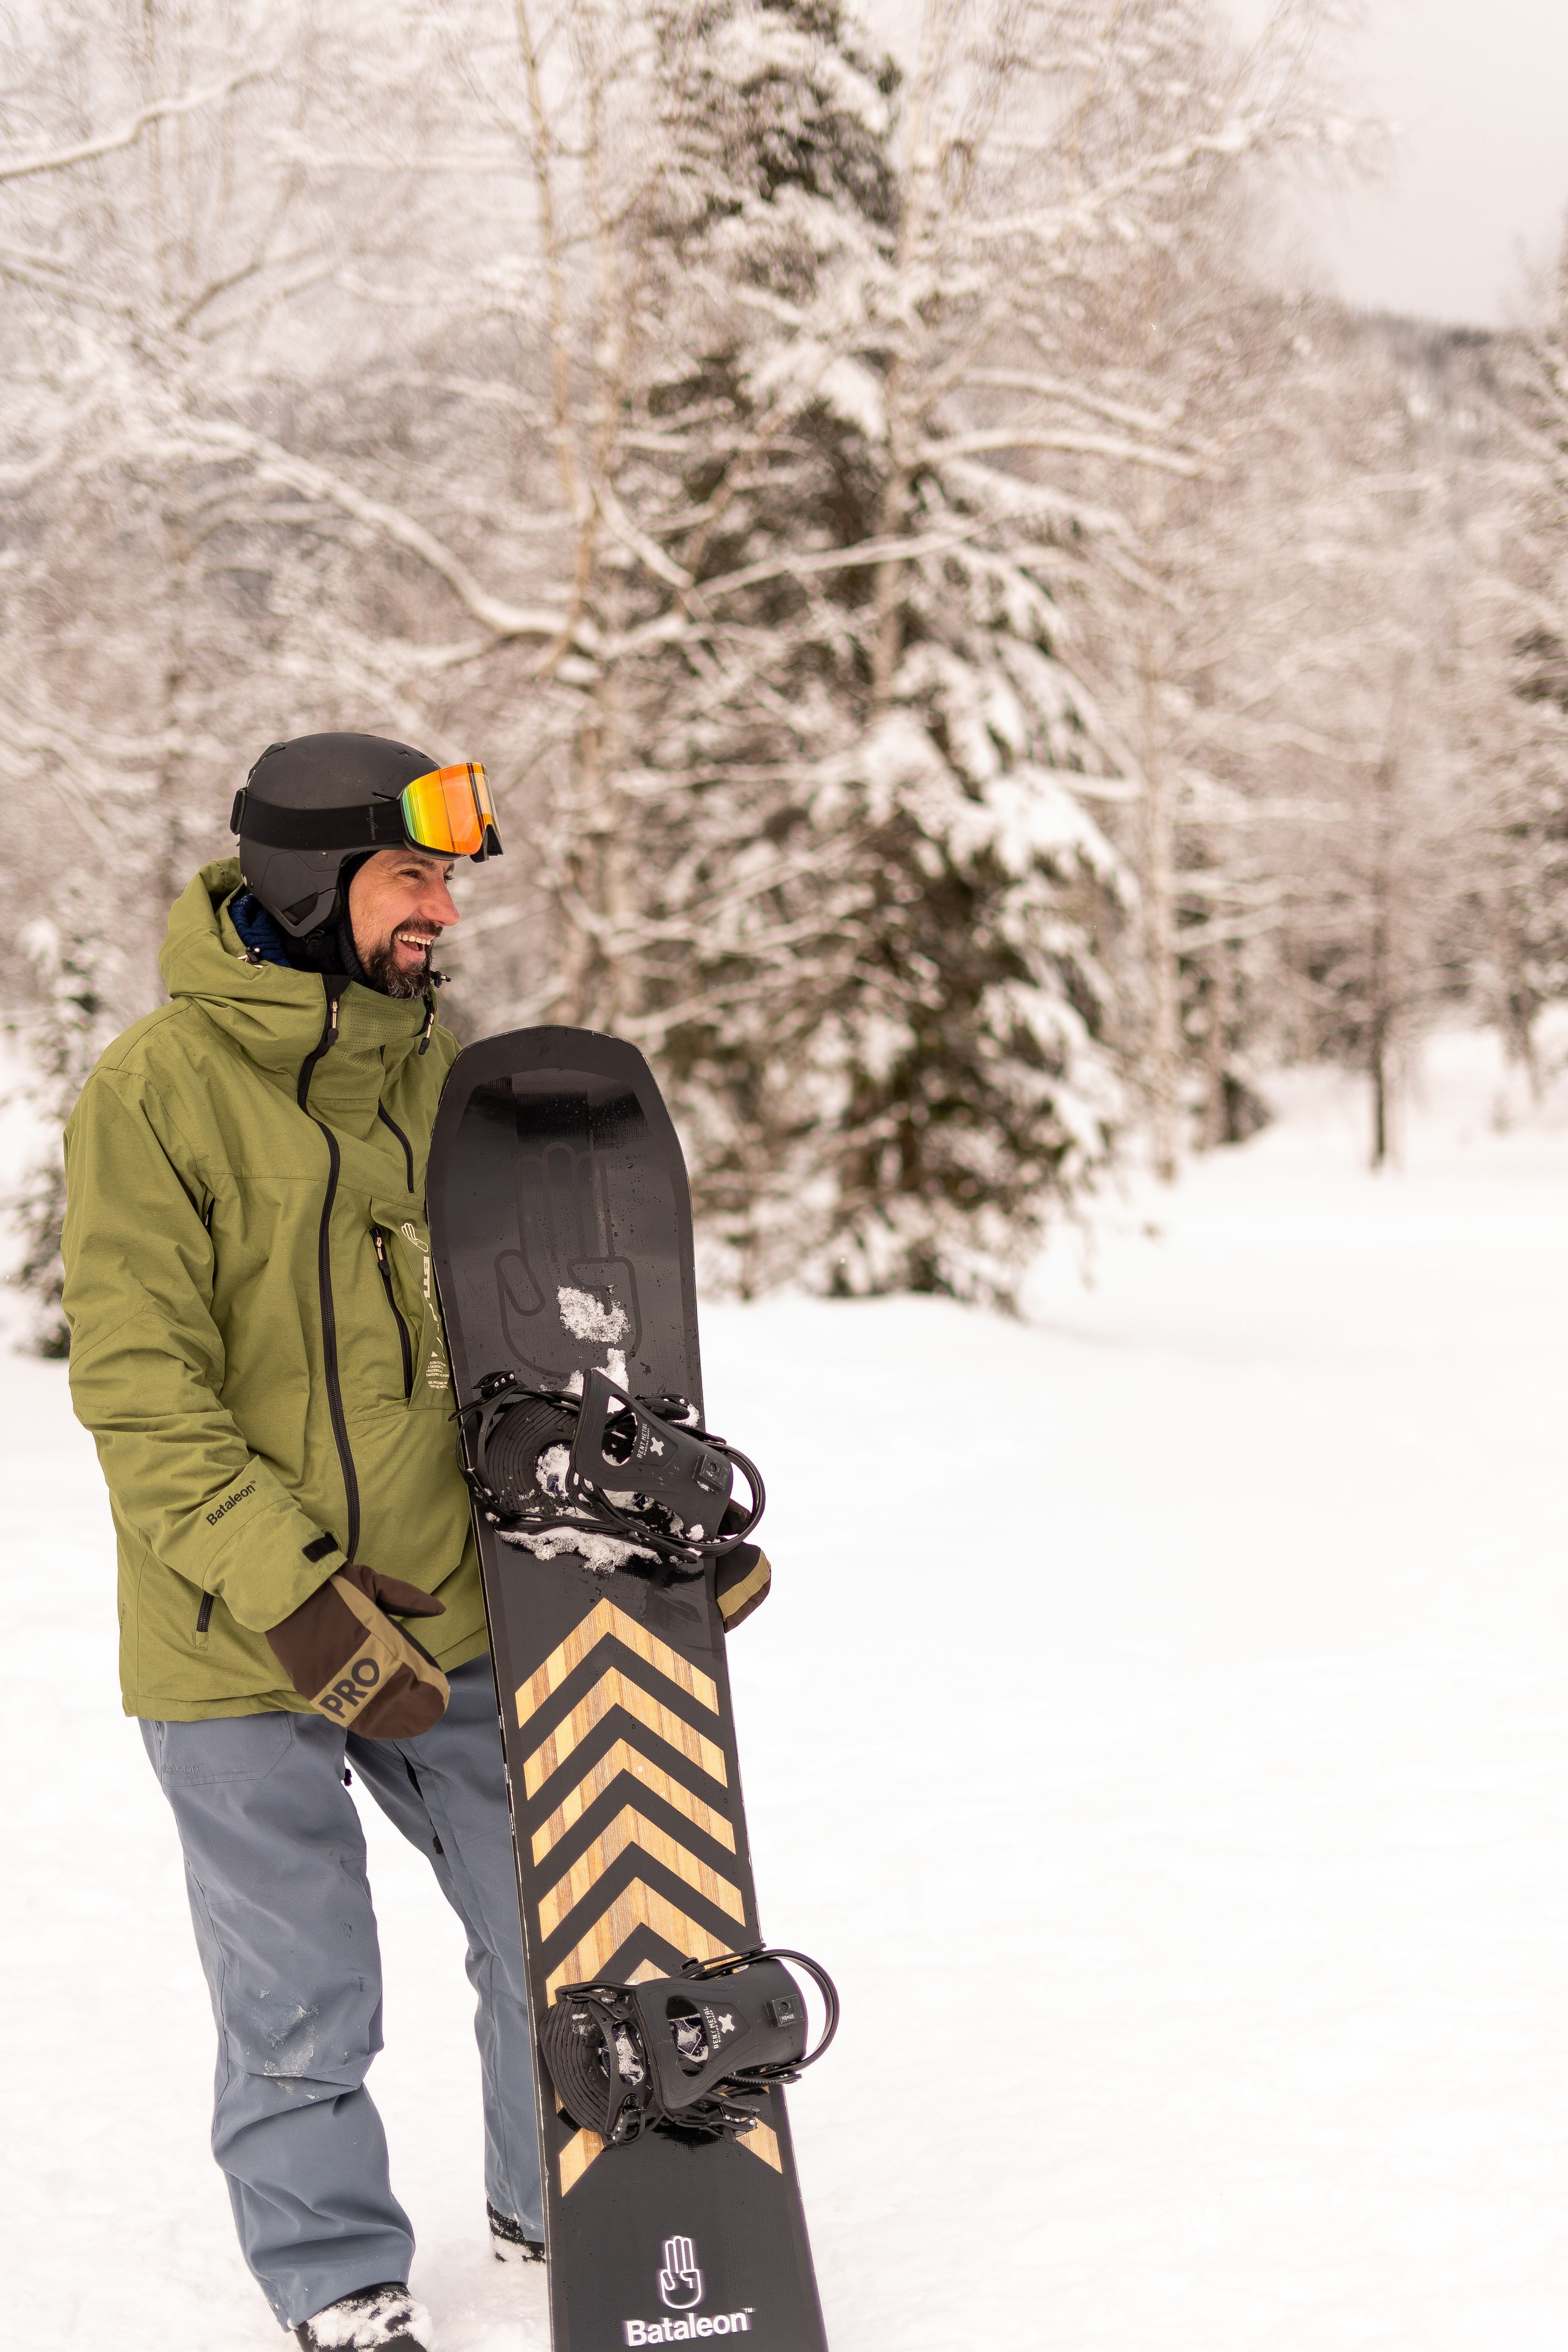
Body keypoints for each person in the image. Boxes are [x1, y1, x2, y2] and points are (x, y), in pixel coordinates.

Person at [60, 734, 767, 2351]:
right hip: (239, 1638)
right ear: (314, 885)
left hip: (453, 1614)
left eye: (446, 879)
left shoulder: (448, 1091)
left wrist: (637, 1529)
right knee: (301, 1991)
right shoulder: (155, 1094)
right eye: (410, 876)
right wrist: (293, 1594)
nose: (442, 909)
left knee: (556, 1925)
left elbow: (524, 1362)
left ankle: (554, 2202)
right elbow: (141, 1385)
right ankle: (336, 2279)